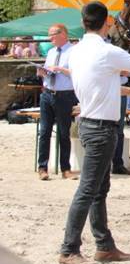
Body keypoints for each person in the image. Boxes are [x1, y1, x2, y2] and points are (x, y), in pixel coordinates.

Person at [58, 1, 130, 264]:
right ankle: (69, 249)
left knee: (98, 189)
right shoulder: (107, 51)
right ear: (107, 22)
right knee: (88, 189)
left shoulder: (76, 52)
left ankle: (104, 245)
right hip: (102, 127)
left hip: (89, 123)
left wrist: (129, 92)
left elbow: (98, 83)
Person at [36, 24, 77, 181]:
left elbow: (77, 73)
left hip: (64, 95)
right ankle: (42, 167)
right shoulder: (51, 52)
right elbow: (48, 72)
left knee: (64, 133)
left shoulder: (73, 52)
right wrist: (43, 72)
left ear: (63, 34)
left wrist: (60, 69)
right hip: (47, 94)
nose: (50, 38)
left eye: (52, 35)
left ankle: (65, 168)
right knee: (44, 132)